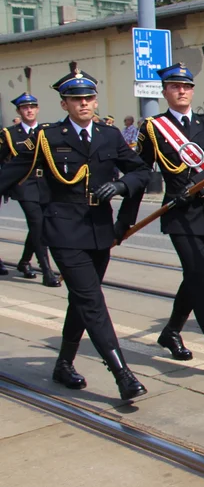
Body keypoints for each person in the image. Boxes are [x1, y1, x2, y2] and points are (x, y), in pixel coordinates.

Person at [0, 71, 151, 401]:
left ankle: (63, 365)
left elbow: (142, 170)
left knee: (82, 300)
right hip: (64, 229)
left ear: (95, 101)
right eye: (76, 100)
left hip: (99, 231)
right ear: (64, 104)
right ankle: (122, 374)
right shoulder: (47, 136)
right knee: (92, 301)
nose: (84, 104)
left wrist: (122, 185)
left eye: (88, 98)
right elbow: (10, 170)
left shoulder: (109, 136)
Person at [129, 63, 204, 382]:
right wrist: (123, 222)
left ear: (192, 91)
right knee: (200, 279)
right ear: (165, 92)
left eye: (186, 86)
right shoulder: (153, 127)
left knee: (196, 277)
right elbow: (140, 173)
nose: (181, 91)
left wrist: (202, 184)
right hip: (179, 214)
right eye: (174, 87)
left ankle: (170, 331)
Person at [0, 93, 61, 286]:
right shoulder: (9, 134)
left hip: (46, 185)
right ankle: (46, 271)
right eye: (25, 108)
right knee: (37, 224)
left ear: (37, 109)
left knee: (41, 225)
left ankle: (25, 261)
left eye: (33, 107)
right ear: (19, 111)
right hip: (24, 185)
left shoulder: (48, 131)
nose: (29, 110)